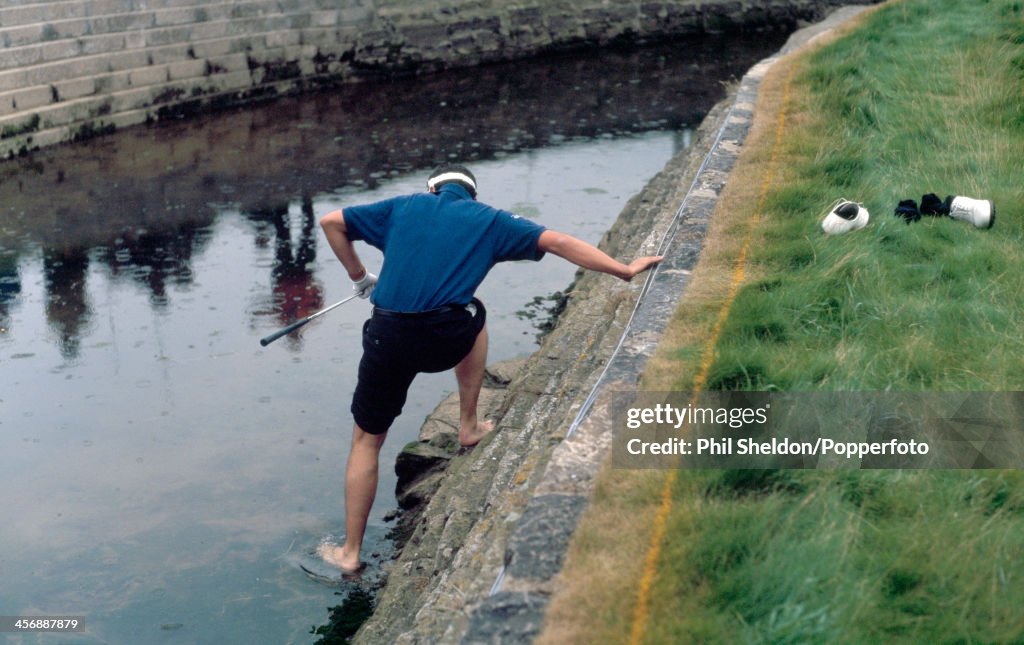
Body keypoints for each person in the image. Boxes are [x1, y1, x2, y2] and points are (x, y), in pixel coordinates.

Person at [316, 163, 663, 574]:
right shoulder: (491, 220)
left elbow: (330, 221)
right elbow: (559, 241)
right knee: (473, 312)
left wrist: (359, 277)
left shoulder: (403, 206)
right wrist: (623, 270)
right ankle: (469, 424)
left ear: (432, 188)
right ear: (473, 195)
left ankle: (350, 553)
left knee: (366, 441)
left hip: (388, 336)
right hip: (446, 336)